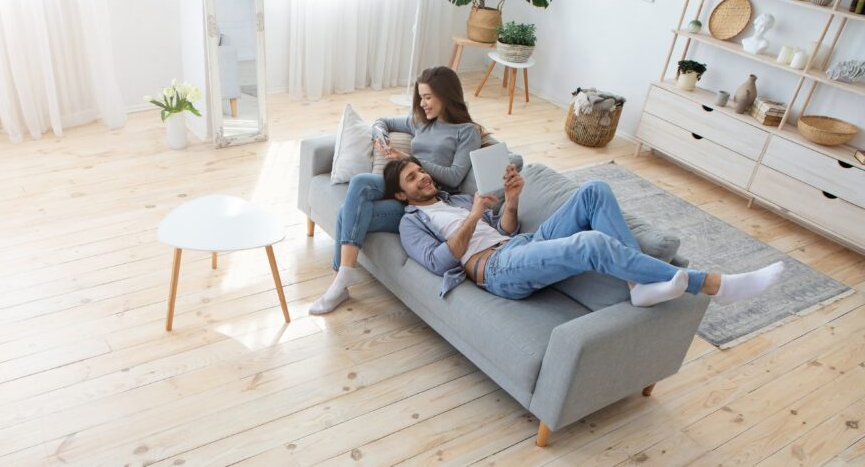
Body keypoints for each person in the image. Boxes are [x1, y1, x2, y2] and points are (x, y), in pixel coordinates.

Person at [383, 156, 784, 306]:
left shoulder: (452, 200)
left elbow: (506, 228)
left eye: (421, 172)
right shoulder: (411, 223)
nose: (423, 179)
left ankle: (635, 286)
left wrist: (512, 199)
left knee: (594, 190)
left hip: (517, 246)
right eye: (412, 179)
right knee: (591, 242)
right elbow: (440, 261)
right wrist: (472, 216)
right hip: (495, 272)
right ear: (402, 194)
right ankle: (712, 284)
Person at [310, 66, 485, 315]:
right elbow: (382, 121)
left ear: (446, 95)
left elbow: (455, 177)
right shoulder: (422, 123)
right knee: (358, 188)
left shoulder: (466, 132)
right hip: (404, 187)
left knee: (345, 211)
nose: (422, 104)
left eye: (428, 97)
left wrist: (410, 158)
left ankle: (340, 281)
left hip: (428, 201)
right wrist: (381, 137)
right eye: (421, 97)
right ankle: (342, 280)